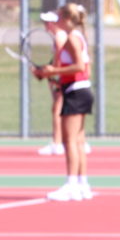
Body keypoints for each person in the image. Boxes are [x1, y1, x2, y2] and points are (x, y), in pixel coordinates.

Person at [33, 3, 94, 202]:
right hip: (79, 90)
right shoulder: (77, 37)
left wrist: (53, 72)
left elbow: (79, 66)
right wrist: (47, 74)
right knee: (77, 141)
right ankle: (83, 185)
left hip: (77, 92)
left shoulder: (72, 39)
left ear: (67, 20)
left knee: (70, 142)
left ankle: (72, 185)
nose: (56, 21)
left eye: (59, 17)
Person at [36, 12, 67, 156]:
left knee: (58, 110)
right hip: (60, 77)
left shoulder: (60, 36)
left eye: (48, 22)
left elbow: (61, 60)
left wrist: (50, 72)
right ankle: (62, 141)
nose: (46, 25)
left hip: (63, 78)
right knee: (60, 110)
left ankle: (58, 143)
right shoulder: (58, 36)